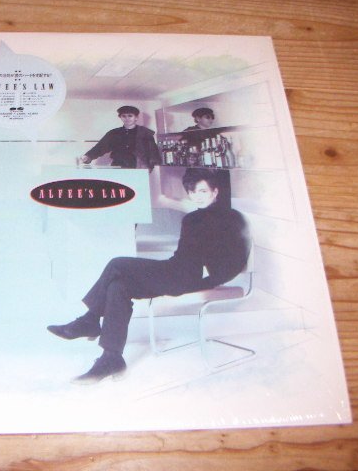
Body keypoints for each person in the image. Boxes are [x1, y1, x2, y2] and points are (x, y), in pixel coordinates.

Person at [47, 168, 249, 384]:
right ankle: (111, 358)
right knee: (118, 286)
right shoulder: (196, 218)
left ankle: (90, 320)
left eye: (202, 191)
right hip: (177, 271)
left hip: (185, 278)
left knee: (117, 264)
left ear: (215, 192)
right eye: (192, 192)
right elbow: (187, 258)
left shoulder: (227, 218)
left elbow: (236, 259)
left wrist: (209, 280)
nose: (197, 197)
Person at [79, 105, 160, 170]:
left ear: (136, 117)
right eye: (124, 116)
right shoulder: (113, 133)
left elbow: (153, 152)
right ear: (120, 117)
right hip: (118, 168)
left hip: (139, 169)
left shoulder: (145, 133)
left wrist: (150, 168)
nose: (127, 118)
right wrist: (88, 156)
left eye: (130, 116)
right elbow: (100, 147)